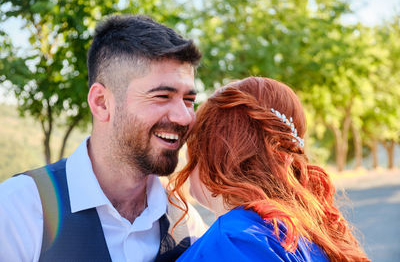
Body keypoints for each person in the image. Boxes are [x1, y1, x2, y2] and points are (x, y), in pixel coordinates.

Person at [0, 14, 207, 261]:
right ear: (101, 103)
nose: (184, 118)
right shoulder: (18, 209)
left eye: (189, 100)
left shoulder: (186, 223)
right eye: (162, 96)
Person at [169, 77, 370, 261]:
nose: (186, 155)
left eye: (193, 141)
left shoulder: (235, 241)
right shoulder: (305, 228)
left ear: (217, 152)